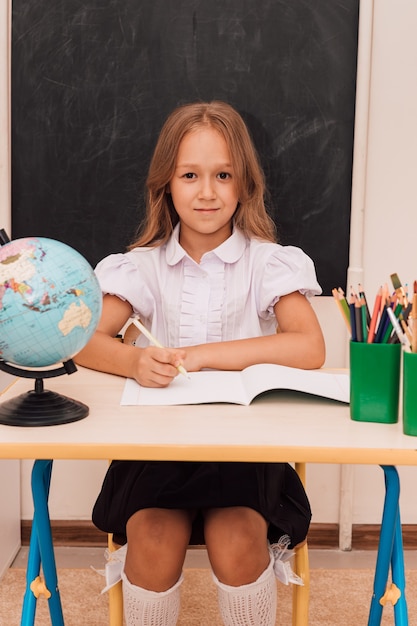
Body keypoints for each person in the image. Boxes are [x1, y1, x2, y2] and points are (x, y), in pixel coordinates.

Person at [75, 100, 325, 626]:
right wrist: (133, 361)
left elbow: (309, 347)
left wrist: (204, 357)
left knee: (236, 538)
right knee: (153, 538)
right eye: (190, 175)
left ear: (244, 185)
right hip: (156, 451)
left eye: (223, 175)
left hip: (245, 452)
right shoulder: (141, 266)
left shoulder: (267, 260)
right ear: (166, 183)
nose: (206, 192)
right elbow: (80, 341)